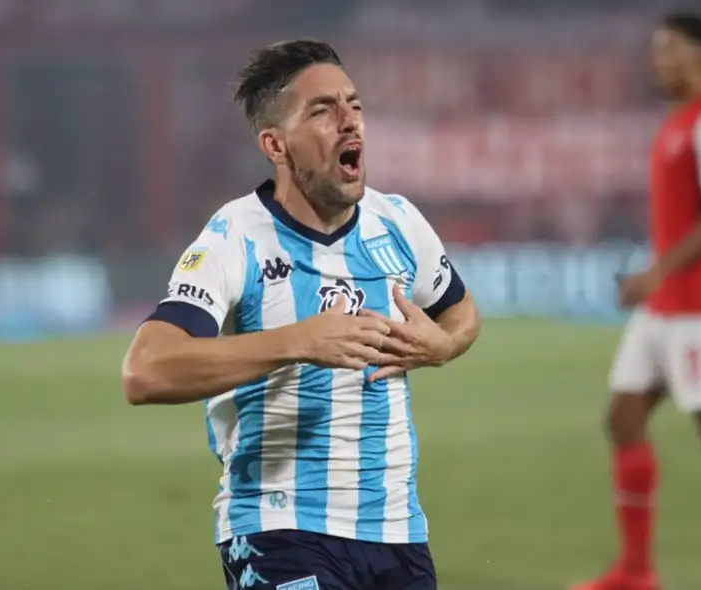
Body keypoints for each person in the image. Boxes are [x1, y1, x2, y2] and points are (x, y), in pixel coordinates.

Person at [121, 40, 480, 590]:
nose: (349, 122)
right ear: (276, 144)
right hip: (278, 528)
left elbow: (460, 312)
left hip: (397, 534)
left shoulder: (399, 222)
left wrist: (444, 346)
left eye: (353, 105)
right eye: (322, 111)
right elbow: (145, 370)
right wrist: (298, 341)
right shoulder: (234, 237)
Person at [572, 14, 701, 590]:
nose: (657, 59)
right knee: (623, 417)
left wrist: (657, 270)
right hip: (666, 308)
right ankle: (636, 570)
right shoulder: (677, 123)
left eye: (668, 49)